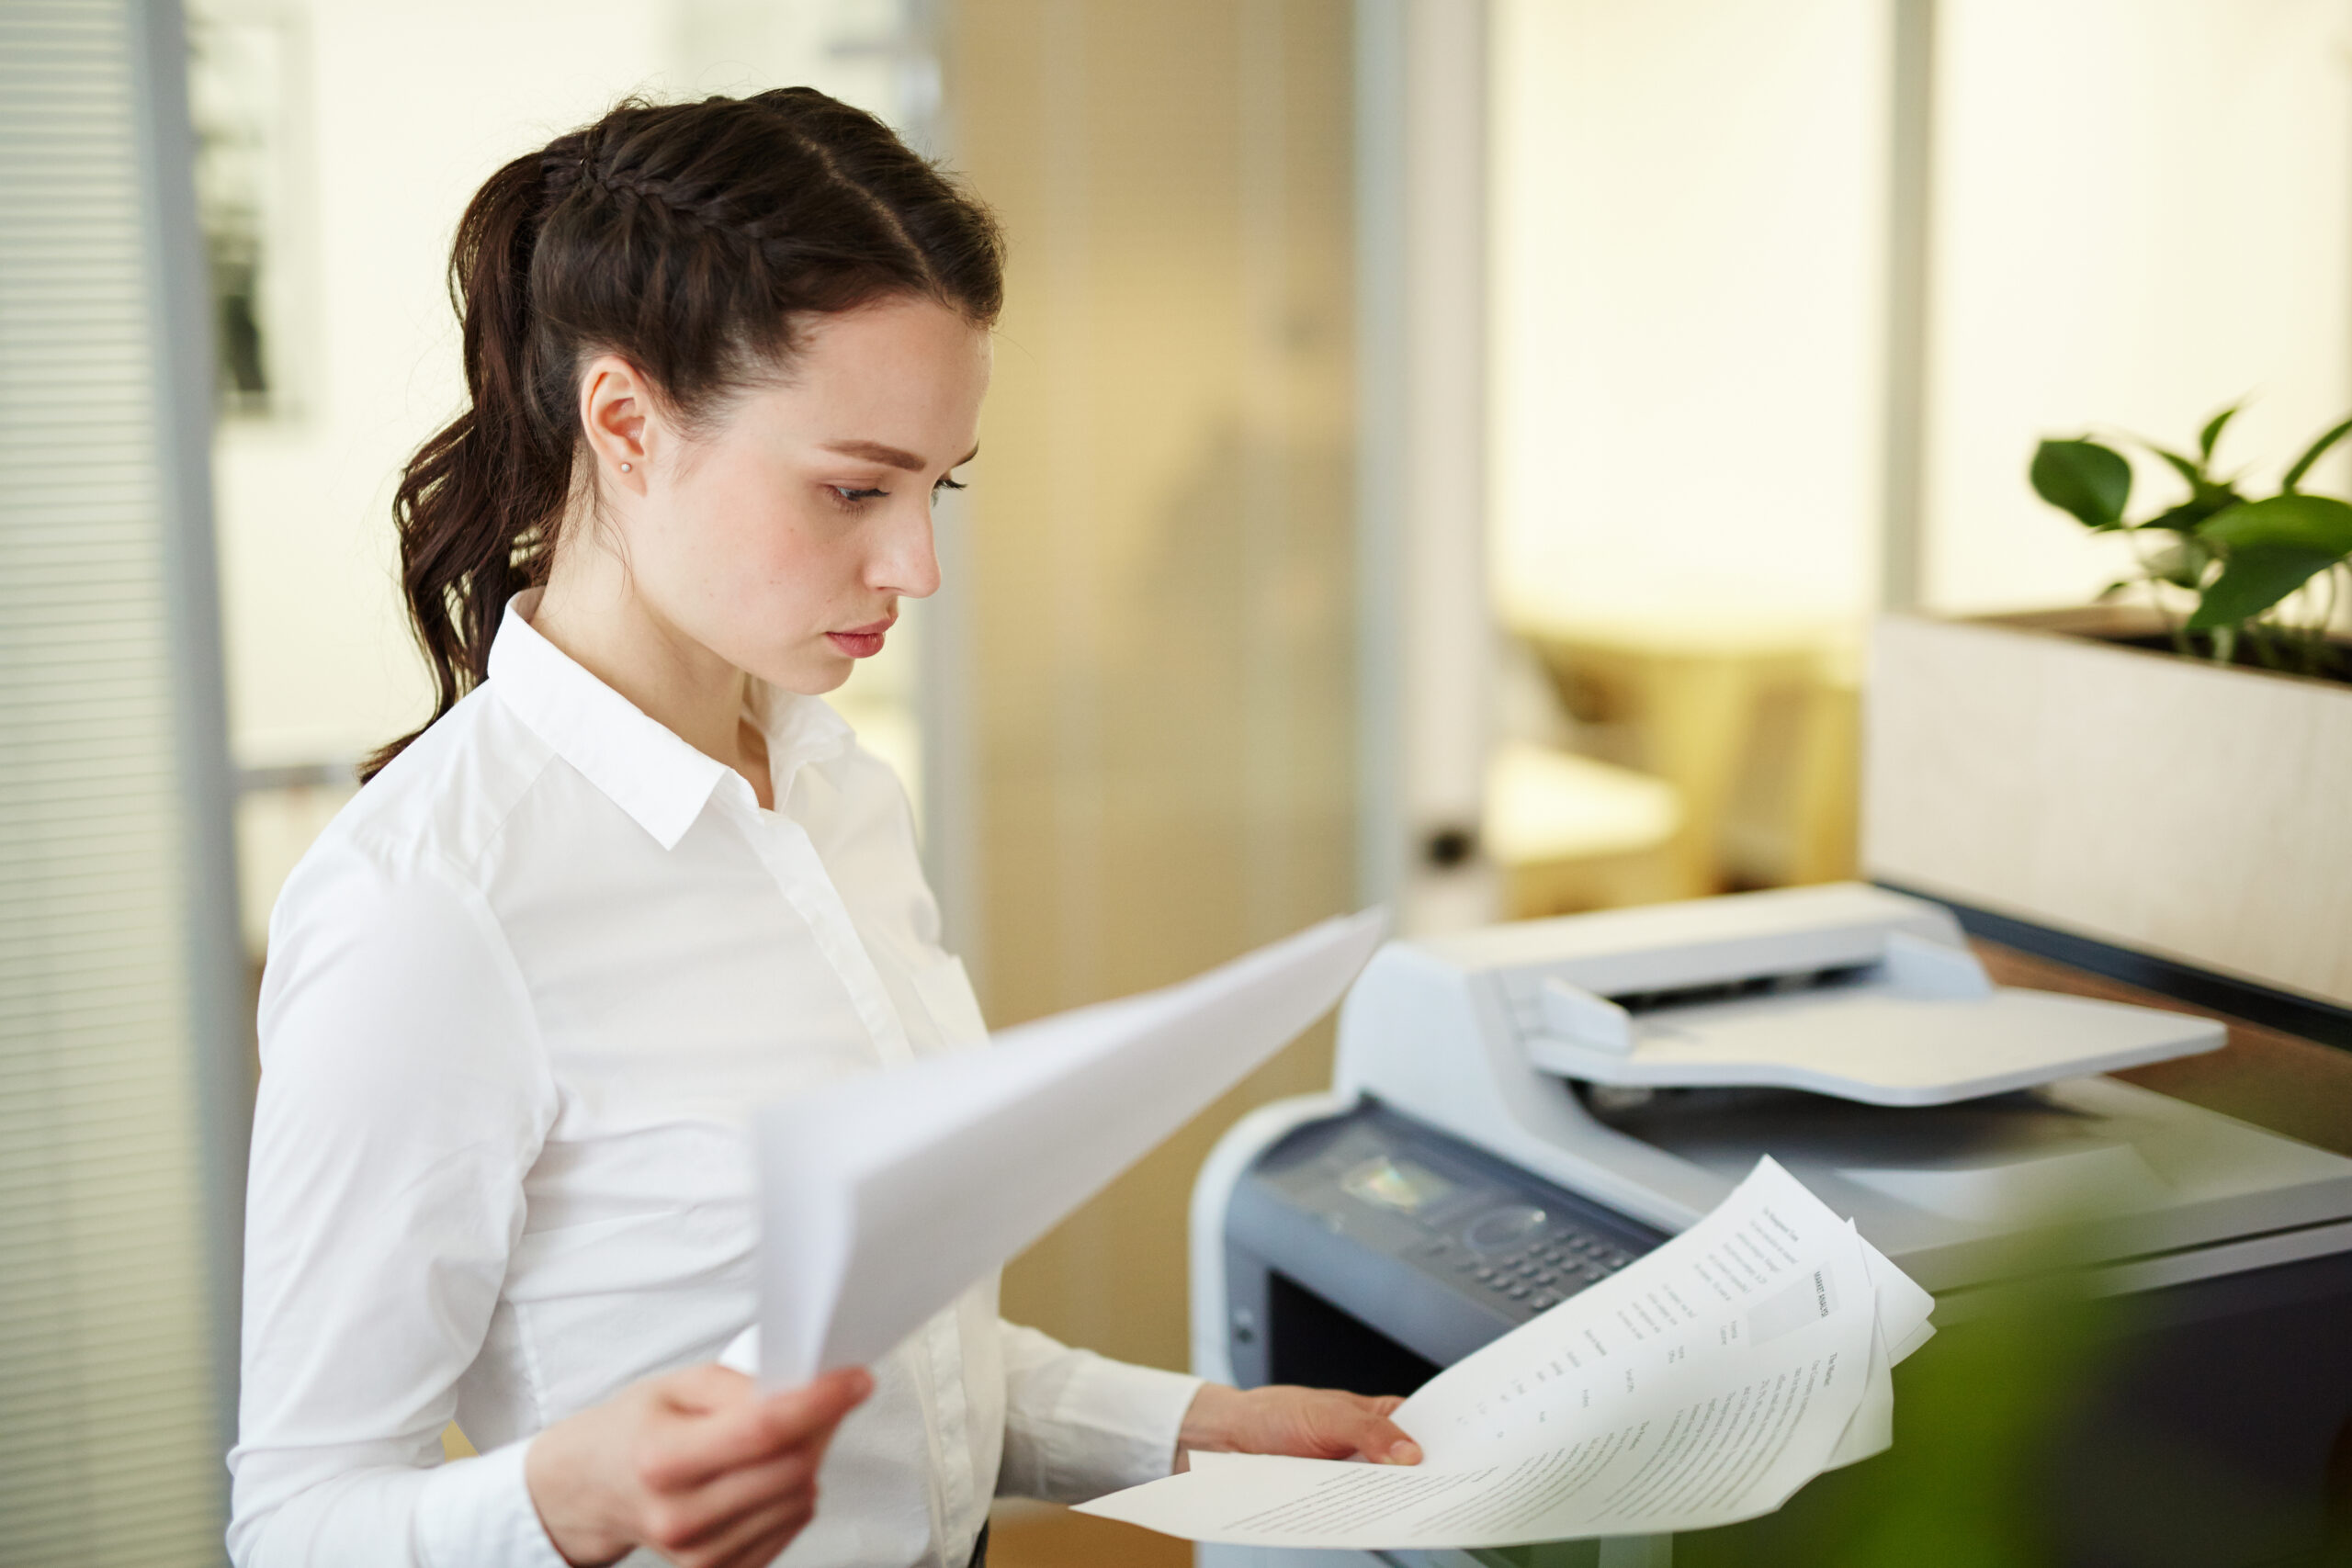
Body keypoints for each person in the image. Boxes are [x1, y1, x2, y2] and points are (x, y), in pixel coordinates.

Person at [227, 88, 1420, 1568]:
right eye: (854, 487)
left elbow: (899, 1353)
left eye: (937, 488)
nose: (915, 563)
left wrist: (1182, 1429)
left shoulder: (841, 794)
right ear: (625, 423)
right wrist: (563, 1501)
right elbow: (294, 1519)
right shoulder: (428, 900)